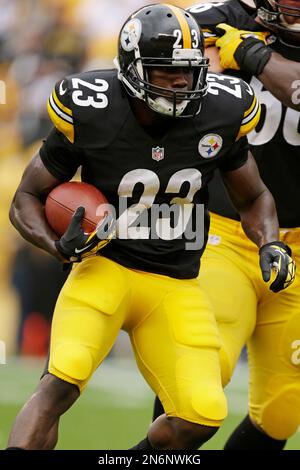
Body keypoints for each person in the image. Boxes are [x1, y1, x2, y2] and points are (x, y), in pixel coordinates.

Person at [7, 3, 294, 450]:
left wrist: (269, 243)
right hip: (105, 267)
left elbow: (254, 196)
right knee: (60, 381)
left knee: (202, 414)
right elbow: (25, 197)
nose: (182, 82)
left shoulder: (220, 110)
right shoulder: (93, 108)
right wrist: (57, 245)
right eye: (166, 71)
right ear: (133, 69)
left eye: (189, 70)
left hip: (174, 282)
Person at [153, 0, 300, 450]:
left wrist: (253, 55)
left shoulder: (240, 36)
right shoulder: (222, 16)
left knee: (283, 408)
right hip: (222, 233)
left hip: (298, 248)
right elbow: (159, 57)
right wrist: (216, 57)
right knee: (196, 382)